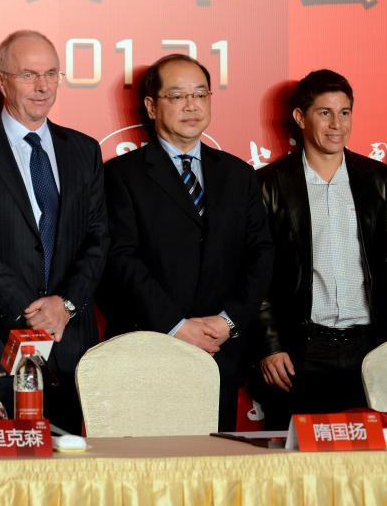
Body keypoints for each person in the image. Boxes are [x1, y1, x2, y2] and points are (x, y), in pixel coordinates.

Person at [0, 30, 108, 433]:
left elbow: (98, 239)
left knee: (62, 485)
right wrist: (28, 311)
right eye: (30, 75)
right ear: (1, 80)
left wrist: (64, 306)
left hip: (68, 348)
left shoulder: (84, 150)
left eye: (51, 74)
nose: (43, 86)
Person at [102, 53, 274, 431]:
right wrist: (176, 326)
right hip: (147, 348)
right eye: (178, 96)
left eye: (200, 94)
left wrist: (227, 321)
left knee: (213, 478)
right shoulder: (120, 176)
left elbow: (260, 255)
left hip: (219, 349)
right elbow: (120, 259)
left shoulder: (238, 175)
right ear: (151, 106)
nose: (192, 105)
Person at [249, 69, 387, 429]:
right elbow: (257, 273)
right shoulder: (268, 184)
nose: (337, 124)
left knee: (367, 470)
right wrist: (270, 345)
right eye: (325, 112)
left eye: (345, 112)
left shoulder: (379, 181)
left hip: (367, 347)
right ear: (299, 117)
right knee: (294, 470)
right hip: (300, 351)